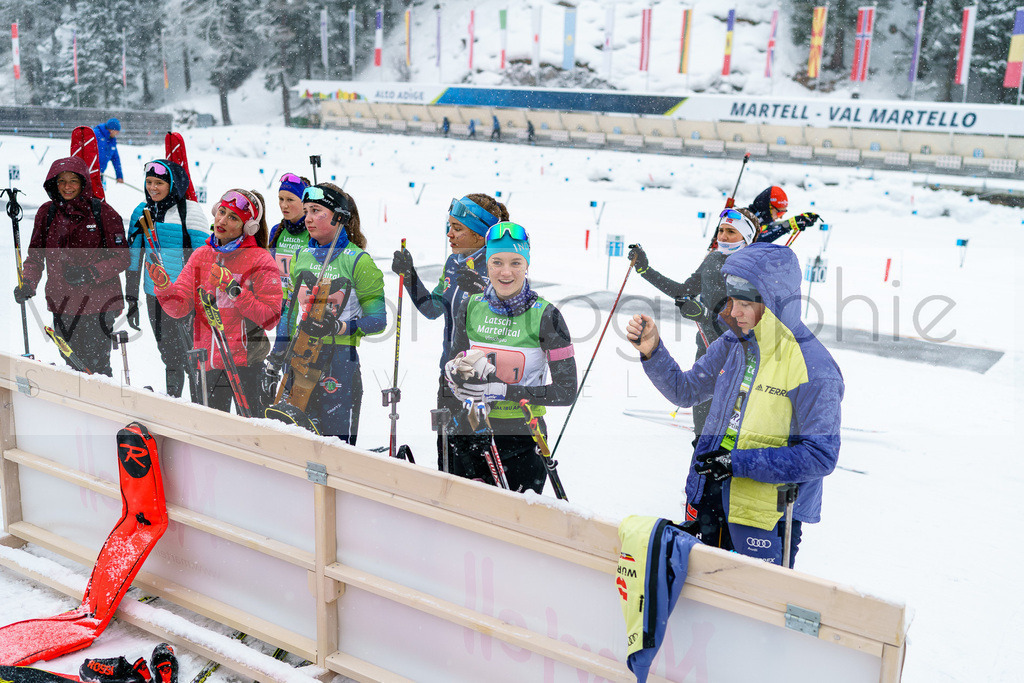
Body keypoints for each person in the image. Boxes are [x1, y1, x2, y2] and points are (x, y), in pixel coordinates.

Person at [625, 243, 843, 567]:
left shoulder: (814, 367)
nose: (734, 311)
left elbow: (820, 455)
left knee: (751, 596)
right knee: (700, 588)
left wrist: (737, 463)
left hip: (768, 515)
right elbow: (686, 390)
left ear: (773, 303)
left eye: (744, 303)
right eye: (732, 301)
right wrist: (652, 351)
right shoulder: (733, 342)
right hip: (711, 492)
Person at [444, 222, 577, 494]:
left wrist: (503, 391)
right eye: (497, 262)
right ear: (487, 265)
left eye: (516, 262)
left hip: (523, 439)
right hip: (470, 432)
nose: (506, 272)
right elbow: (455, 361)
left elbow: (566, 392)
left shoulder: (547, 316)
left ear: (527, 264)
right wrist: (452, 374)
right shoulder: (470, 306)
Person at [391, 194, 506, 469]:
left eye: (457, 228)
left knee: (478, 466)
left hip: (482, 382)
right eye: (449, 226)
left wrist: (485, 291)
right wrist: (409, 276)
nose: (449, 234)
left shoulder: (502, 266)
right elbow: (432, 308)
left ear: (479, 234)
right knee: (448, 458)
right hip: (450, 375)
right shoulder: (454, 263)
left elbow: (512, 320)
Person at [627, 207, 761, 438]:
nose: (723, 236)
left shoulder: (753, 269)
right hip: (707, 354)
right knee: (701, 435)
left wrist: (705, 315)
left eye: (731, 232)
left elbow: (751, 323)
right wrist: (645, 270)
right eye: (721, 230)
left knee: (730, 438)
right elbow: (683, 291)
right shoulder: (713, 259)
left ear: (747, 237)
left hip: (739, 359)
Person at [268, 183, 386, 444]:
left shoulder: (359, 261)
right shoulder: (302, 255)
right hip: (300, 355)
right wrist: (278, 353)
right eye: (306, 211)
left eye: (316, 211)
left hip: (339, 360)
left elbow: (378, 321)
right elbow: (290, 310)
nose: (308, 218)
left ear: (339, 217)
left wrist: (339, 327)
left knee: (334, 443)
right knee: (294, 438)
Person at [148, 189, 282, 414]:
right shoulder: (201, 255)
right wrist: (164, 288)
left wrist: (234, 290)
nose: (222, 221)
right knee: (209, 429)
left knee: (249, 430)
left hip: (246, 365)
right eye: (221, 212)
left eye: (233, 218)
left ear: (248, 227)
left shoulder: (261, 259)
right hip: (207, 363)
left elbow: (270, 318)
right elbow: (179, 308)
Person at [14, 157, 129, 376]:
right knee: (71, 366)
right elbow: (35, 257)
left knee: (96, 368)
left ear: (83, 182)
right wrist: (27, 283)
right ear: (54, 183)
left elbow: (122, 257)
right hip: (62, 303)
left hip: (98, 304)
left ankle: (102, 397)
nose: (67, 187)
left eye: (73, 181)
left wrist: (91, 272)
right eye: (62, 181)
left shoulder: (102, 212)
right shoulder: (47, 213)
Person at [124, 159, 210, 398]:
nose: (153, 188)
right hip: (155, 295)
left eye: (159, 183)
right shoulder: (141, 212)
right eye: (149, 182)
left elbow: (205, 259)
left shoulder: (191, 212)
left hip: (185, 297)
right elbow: (133, 259)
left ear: (173, 185)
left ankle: (198, 405)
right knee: (169, 355)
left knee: (192, 356)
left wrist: (202, 299)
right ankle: (173, 400)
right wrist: (131, 298)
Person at [267, 172, 311, 301]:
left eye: (290, 200)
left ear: (304, 202)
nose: (283, 205)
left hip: (303, 302)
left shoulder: (314, 231)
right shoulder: (277, 231)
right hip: (279, 301)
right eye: (281, 199)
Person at [745, 185, 821, 244]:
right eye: (779, 212)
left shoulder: (761, 220)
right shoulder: (745, 219)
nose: (781, 217)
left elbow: (771, 227)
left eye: (783, 212)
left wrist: (797, 220)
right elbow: (756, 241)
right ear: (767, 208)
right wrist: (786, 226)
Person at [93, 118, 124, 184]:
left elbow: (116, 159)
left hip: (100, 173)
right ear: (111, 130)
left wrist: (119, 176)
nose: (117, 133)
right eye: (117, 131)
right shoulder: (96, 134)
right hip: (89, 173)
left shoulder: (112, 141)